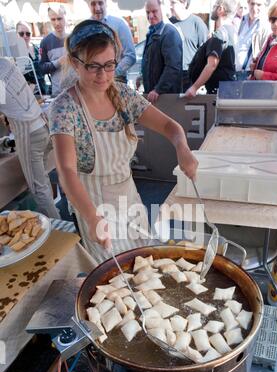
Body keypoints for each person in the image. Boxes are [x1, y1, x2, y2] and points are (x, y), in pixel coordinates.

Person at [49, 20, 197, 263]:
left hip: (129, 199)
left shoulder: (124, 95)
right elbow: (66, 173)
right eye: (93, 66)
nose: (103, 75)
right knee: (113, 276)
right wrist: (92, 217)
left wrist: (182, 148)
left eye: (109, 65)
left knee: (145, 264)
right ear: (75, 63)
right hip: (93, 207)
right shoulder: (64, 109)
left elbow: (172, 127)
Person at [0, 58, 60, 219]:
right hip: (42, 126)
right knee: (44, 183)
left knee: (38, 189)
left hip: (30, 134)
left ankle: (60, 232)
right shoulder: (5, 63)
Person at [185, 0, 238, 97]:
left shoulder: (220, 34)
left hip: (218, 93)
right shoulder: (233, 32)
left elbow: (212, 64)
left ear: (220, 9)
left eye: (215, 5)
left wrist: (194, 88)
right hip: (228, 90)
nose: (212, 8)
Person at [141, 0, 183, 103]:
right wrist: (142, 77)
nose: (151, 16)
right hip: (156, 96)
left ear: (162, 9)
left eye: (154, 11)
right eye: (148, 12)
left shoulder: (169, 33)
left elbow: (173, 67)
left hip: (166, 98)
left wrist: (158, 89)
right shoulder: (152, 32)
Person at [88, 0, 136, 83]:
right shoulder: (85, 28)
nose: (97, 8)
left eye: (100, 3)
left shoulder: (119, 24)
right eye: (93, 4)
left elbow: (130, 56)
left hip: (117, 81)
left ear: (106, 3)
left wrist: (111, 74)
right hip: (93, 84)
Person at [169, 0, 208, 92]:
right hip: (171, 75)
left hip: (190, 76)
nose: (170, 6)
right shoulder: (168, 24)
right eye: (170, 3)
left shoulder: (197, 23)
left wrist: (200, 83)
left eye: (173, 3)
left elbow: (205, 54)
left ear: (184, 3)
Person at [235, 0, 269, 81]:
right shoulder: (243, 20)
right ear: (248, 3)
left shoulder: (265, 25)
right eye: (252, 4)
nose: (254, 8)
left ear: (264, 5)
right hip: (236, 71)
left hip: (250, 73)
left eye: (259, 5)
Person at [39, 5, 67, 97]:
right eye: (53, 19)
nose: (57, 23)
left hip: (78, 90)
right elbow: (41, 68)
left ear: (65, 16)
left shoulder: (75, 38)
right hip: (58, 94)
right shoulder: (45, 42)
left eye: (59, 18)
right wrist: (58, 62)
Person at [16, 21, 47, 95]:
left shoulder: (37, 48)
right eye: (21, 34)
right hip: (30, 94)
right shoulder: (16, 54)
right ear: (16, 35)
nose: (25, 36)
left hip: (44, 90)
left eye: (28, 33)